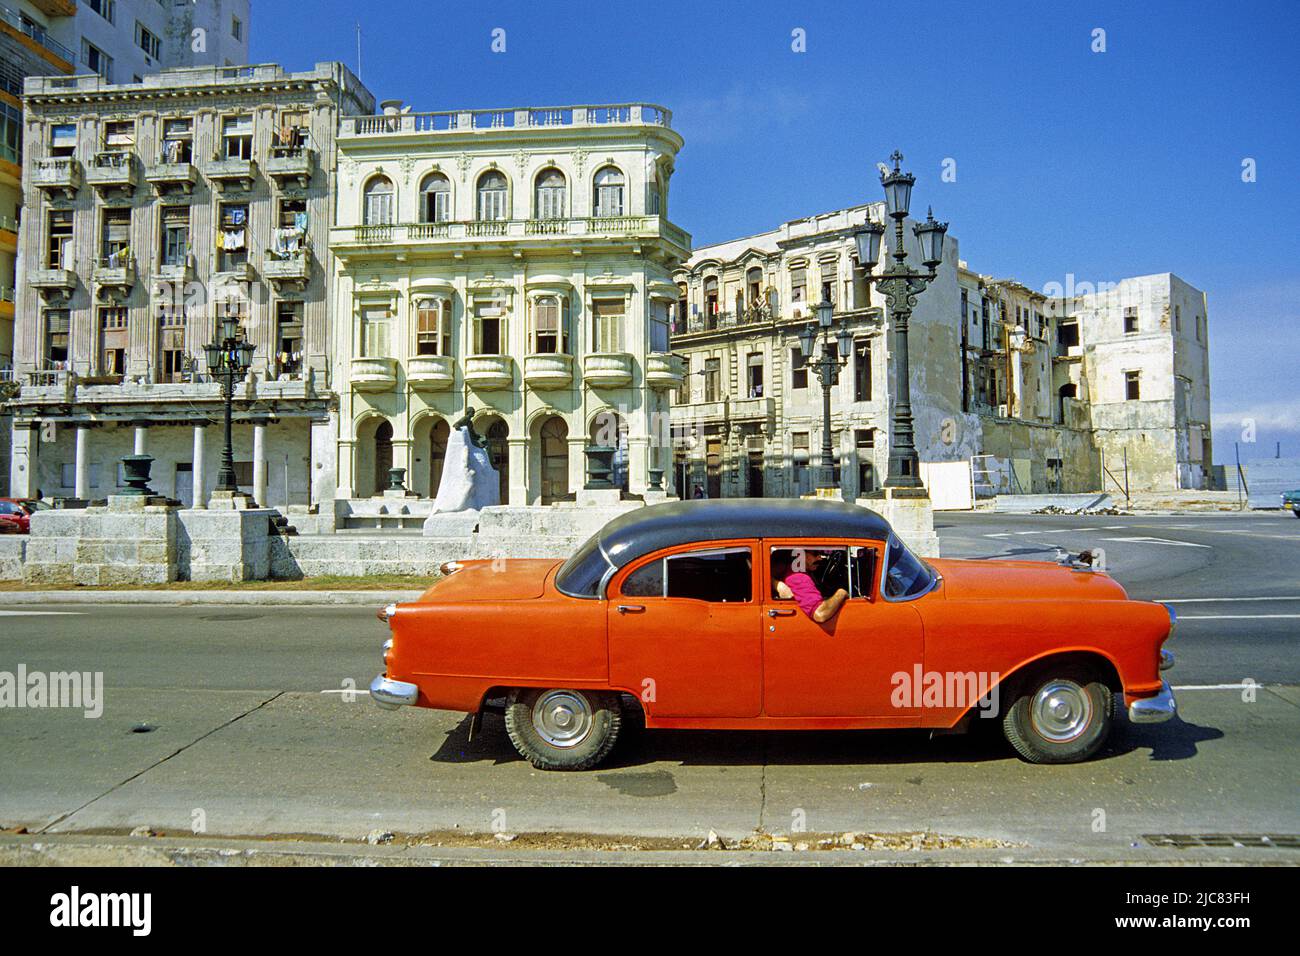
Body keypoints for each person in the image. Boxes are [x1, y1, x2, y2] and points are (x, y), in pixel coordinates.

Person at [772, 549, 848, 624]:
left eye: (820, 553)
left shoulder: (796, 571)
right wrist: (842, 592)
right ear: (799, 554)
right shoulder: (799, 578)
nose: (820, 558)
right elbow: (820, 614)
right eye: (815, 553)